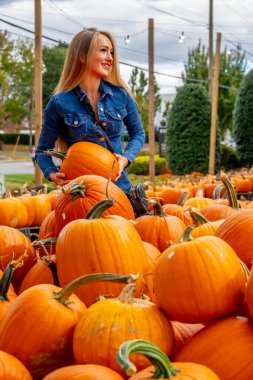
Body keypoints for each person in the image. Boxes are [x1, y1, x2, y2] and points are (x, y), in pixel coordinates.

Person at [35, 28, 145, 195]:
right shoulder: (59, 103)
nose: (110, 58)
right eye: (103, 50)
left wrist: (126, 158)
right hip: (82, 195)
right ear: (82, 56)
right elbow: (42, 151)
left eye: (111, 52)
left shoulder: (121, 96)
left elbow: (138, 133)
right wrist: (52, 173)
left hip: (119, 190)